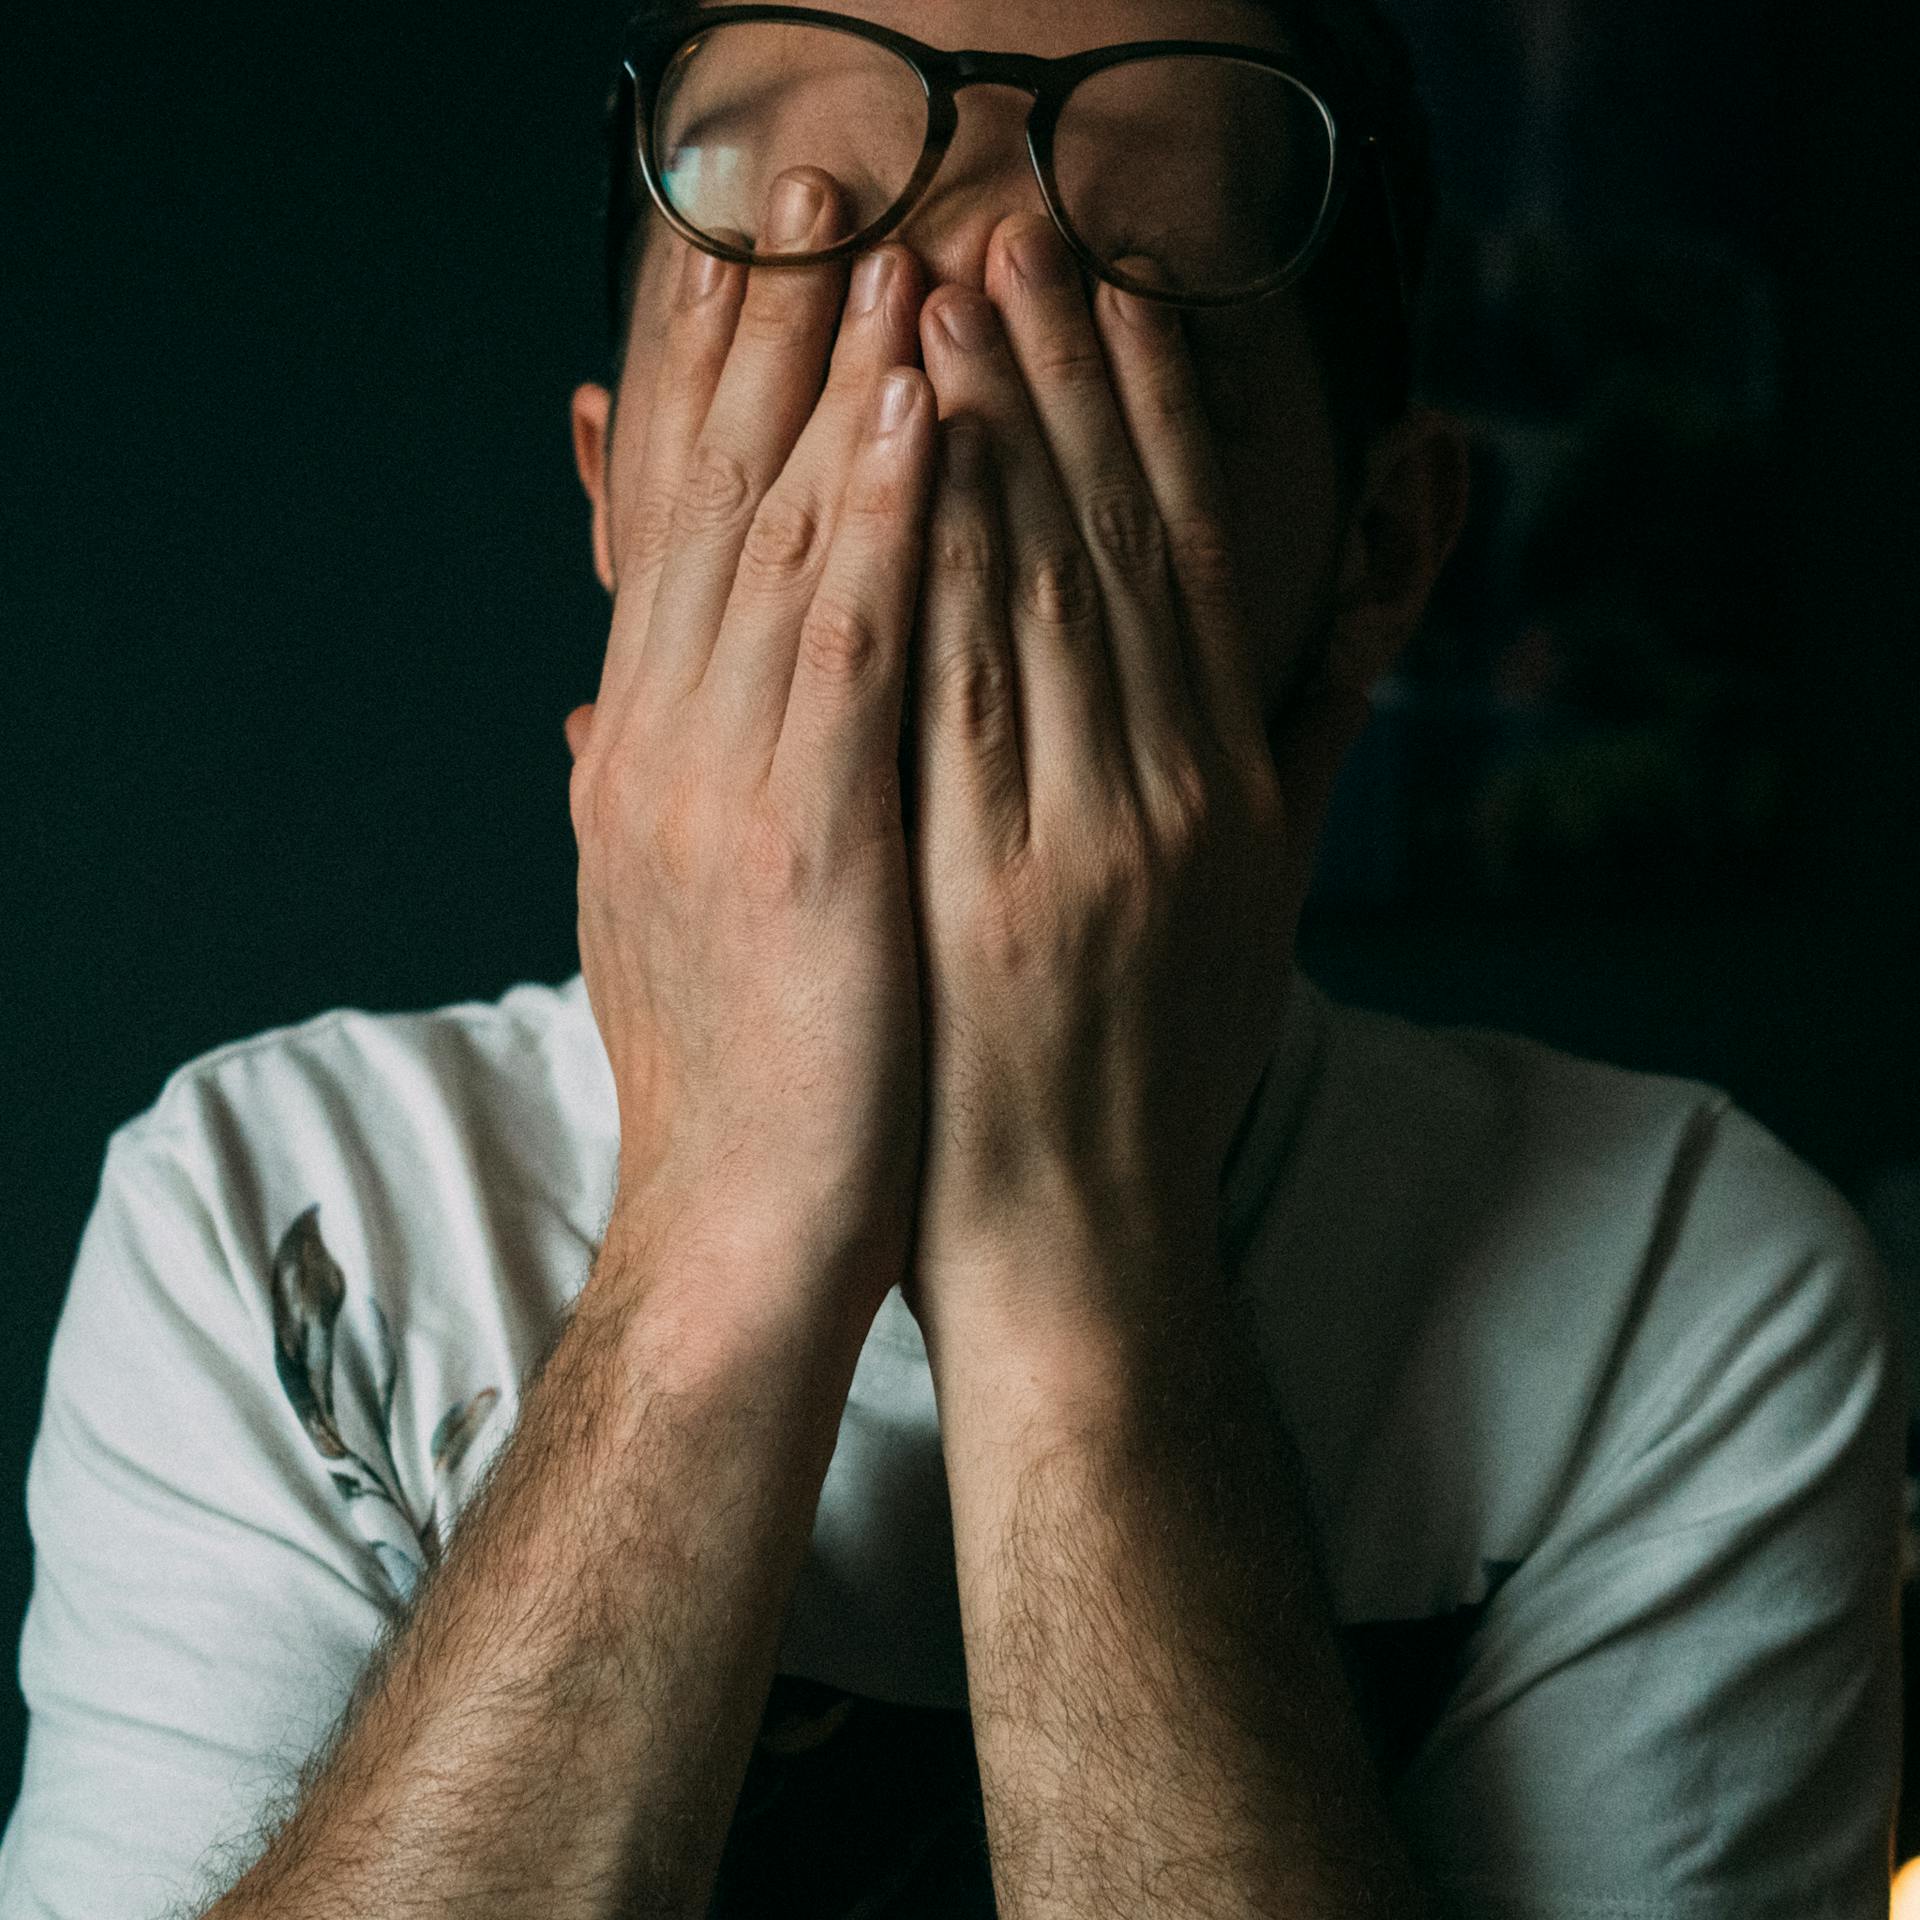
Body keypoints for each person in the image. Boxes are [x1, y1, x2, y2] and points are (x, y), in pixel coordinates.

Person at [0, 0, 1900, 1914]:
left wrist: (1076, 1263)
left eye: (1103, 355)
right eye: (790, 332)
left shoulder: (1686, 1302)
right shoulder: (273, 1219)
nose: (911, 483)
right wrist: (718, 1246)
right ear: (610, 497)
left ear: (1377, 554)